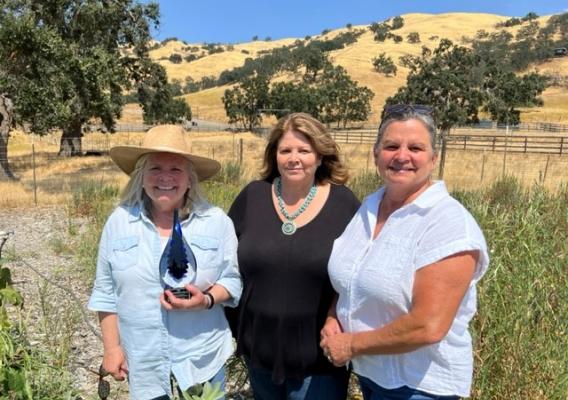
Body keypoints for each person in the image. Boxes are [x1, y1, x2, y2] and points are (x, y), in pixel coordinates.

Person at [321, 104, 489, 400]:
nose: (402, 156)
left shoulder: (448, 224)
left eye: (415, 147)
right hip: (372, 374)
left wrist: (351, 345)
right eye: (391, 146)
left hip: (418, 385)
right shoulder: (368, 208)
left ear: (434, 158)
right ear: (375, 155)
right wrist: (334, 317)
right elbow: (351, 277)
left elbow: (428, 325)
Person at [88, 125, 242, 400]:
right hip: (144, 361)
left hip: (201, 359)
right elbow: (105, 291)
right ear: (141, 176)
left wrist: (205, 299)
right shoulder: (119, 222)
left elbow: (232, 280)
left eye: (176, 170)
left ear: (190, 179)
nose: (165, 178)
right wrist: (112, 349)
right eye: (155, 168)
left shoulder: (216, 221)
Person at [227, 113, 360, 400]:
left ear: (321, 156)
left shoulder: (344, 203)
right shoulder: (253, 196)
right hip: (258, 353)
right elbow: (224, 260)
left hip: (319, 359)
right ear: (274, 155)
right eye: (285, 150)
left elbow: (358, 272)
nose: (294, 158)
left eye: (304, 150)